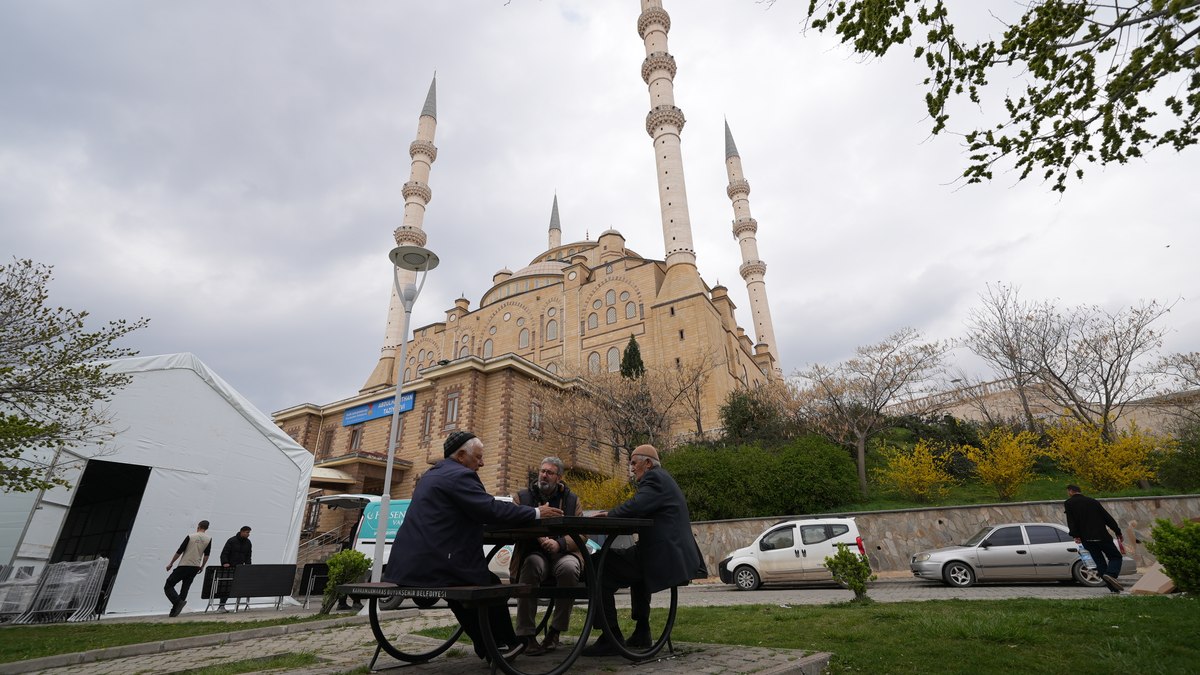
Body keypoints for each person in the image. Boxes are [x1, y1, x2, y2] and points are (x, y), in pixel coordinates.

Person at [383, 431, 563, 662]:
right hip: (435, 564)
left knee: (463, 595)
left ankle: (490, 647)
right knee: (491, 586)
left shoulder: (431, 474)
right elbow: (490, 509)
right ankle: (508, 644)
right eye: (478, 457)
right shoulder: (460, 476)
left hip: (408, 566)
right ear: (460, 455)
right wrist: (536, 512)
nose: (482, 462)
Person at [583, 444, 706, 657]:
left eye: (633, 463)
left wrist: (610, 515)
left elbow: (637, 506)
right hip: (666, 554)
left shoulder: (654, 479)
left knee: (596, 565)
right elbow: (641, 506)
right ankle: (642, 631)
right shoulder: (663, 479)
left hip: (661, 556)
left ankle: (610, 636)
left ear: (647, 463)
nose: (631, 468)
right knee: (626, 563)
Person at [510, 456, 584, 655]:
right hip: (533, 551)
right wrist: (541, 539)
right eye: (542, 471)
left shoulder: (572, 500)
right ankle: (526, 635)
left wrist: (559, 543)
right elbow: (513, 523)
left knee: (569, 568)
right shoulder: (522, 497)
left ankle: (555, 631)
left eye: (549, 472)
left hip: (563, 553)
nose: (544, 475)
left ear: (559, 478)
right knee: (531, 564)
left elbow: (582, 533)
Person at [1064, 484, 1125, 593]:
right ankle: (1110, 574)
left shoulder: (1069, 503)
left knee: (1100, 562)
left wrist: (1075, 535)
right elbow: (1107, 518)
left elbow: (1071, 521)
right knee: (1115, 557)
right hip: (1102, 537)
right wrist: (1117, 531)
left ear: (1070, 491)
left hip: (1086, 539)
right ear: (1079, 491)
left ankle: (1113, 589)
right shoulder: (1093, 501)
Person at [164, 519, 212, 617]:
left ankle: (177, 602)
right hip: (195, 567)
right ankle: (174, 612)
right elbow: (207, 555)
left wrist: (171, 563)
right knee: (185, 587)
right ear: (206, 528)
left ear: (198, 526)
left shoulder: (191, 536)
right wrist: (202, 566)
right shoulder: (208, 539)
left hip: (184, 564)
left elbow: (180, 551)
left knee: (169, 585)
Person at [216, 525, 252, 612]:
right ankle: (221, 606)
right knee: (226, 587)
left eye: (249, 533)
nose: (248, 534)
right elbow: (224, 553)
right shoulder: (232, 540)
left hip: (241, 568)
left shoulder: (248, 543)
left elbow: (248, 556)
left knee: (239, 587)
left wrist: (248, 566)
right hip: (229, 567)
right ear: (242, 532)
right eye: (247, 532)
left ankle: (239, 606)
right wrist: (225, 562)